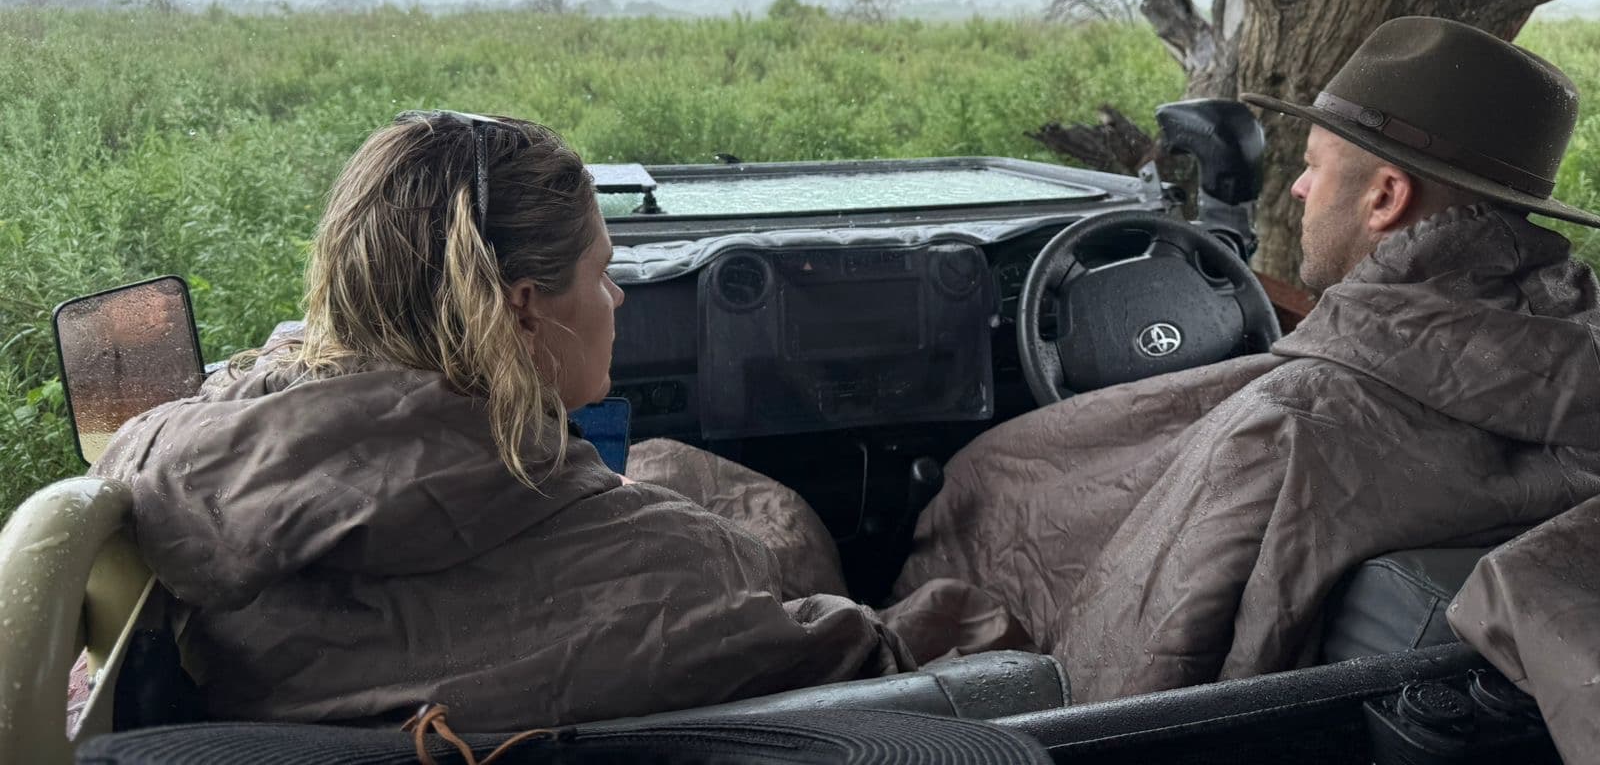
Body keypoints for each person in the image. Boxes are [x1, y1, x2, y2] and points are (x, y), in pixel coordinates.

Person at [90, 112, 1014, 731]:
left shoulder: (198, 469)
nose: (614, 295)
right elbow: (868, 663)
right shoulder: (665, 569)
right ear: (525, 308)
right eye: (604, 270)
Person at [893, 16, 1600, 702]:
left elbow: (1126, 675)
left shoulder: (1289, 427)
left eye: (1312, 167)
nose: (1297, 188)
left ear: (1385, 196)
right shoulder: (1567, 357)